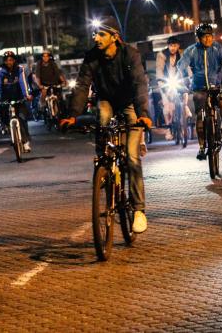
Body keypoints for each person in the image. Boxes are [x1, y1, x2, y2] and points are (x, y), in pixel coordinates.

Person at [60, 18, 153, 233]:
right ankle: (104, 164)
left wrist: (144, 115)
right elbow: (83, 85)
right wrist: (73, 115)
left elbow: (140, 84)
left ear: (114, 37)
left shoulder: (130, 54)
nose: (96, 38)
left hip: (130, 103)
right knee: (102, 118)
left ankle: (139, 210)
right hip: (106, 101)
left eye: (101, 34)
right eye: (95, 34)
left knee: (131, 158)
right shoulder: (92, 56)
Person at [177, 23, 222, 160]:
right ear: (198, 38)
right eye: (204, 37)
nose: (208, 39)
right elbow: (181, 65)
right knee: (199, 117)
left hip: (217, 86)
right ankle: (202, 146)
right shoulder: (191, 51)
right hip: (198, 87)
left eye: (210, 36)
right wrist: (184, 81)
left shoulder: (218, 48)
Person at [0, 51, 33, 152]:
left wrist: (27, 95)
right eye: (7, 60)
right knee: (4, 118)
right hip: (5, 99)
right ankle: (13, 133)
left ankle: (25, 141)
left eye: (11, 60)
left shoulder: (20, 70)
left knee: (22, 118)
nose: (9, 62)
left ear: (14, 60)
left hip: (19, 97)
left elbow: (23, 82)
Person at [154, 36, 186, 128]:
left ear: (178, 46)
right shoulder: (162, 54)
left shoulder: (182, 54)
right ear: (168, 46)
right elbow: (159, 69)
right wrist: (160, 82)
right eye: (171, 46)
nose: (173, 48)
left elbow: (187, 67)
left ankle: (183, 118)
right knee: (167, 106)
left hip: (178, 81)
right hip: (165, 82)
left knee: (185, 98)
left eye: (175, 46)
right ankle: (168, 126)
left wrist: (191, 77)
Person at [31, 50, 65, 115]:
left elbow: (58, 73)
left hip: (54, 82)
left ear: (49, 57)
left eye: (47, 56)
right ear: (42, 57)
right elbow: (37, 75)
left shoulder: (53, 63)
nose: (45, 58)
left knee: (59, 95)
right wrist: (40, 84)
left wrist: (63, 82)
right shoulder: (39, 63)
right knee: (44, 93)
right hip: (44, 83)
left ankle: (61, 109)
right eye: (44, 56)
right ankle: (42, 107)